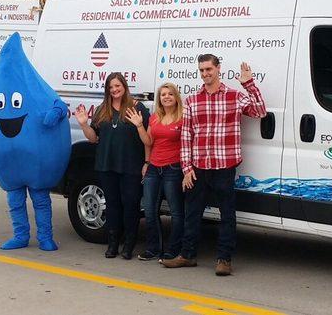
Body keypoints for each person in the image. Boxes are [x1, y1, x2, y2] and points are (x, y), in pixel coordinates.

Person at [161, 54, 267, 276]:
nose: (205, 74)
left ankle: (224, 259)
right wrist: (187, 169)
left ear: (218, 68)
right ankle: (187, 255)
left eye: (209, 69)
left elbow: (260, 111)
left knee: (227, 215)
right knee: (192, 213)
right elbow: (187, 137)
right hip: (198, 167)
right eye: (201, 70)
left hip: (224, 166)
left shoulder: (234, 95)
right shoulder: (192, 100)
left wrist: (249, 83)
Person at [75, 72, 150, 260]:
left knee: (131, 205)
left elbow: (148, 139)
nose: (114, 90)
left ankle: (129, 245)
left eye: (117, 86)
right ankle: (113, 243)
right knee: (113, 206)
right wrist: (84, 125)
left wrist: (147, 162)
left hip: (131, 166)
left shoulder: (137, 107)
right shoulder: (103, 110)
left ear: (124, 86)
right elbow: (94, 138)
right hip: (107, 165)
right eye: (110, 87)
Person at [125, 82, 184, 261]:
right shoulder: (155, 117)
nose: (166, 97)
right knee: (149, 210)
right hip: (153, 168)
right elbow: (149, 141)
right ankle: (153, 249)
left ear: (176, 98)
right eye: (163, 94)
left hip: (173, 168)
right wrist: (139, 126)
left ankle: (173, 250)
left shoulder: (183, 117)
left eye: (170, 94)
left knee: (176, 212)